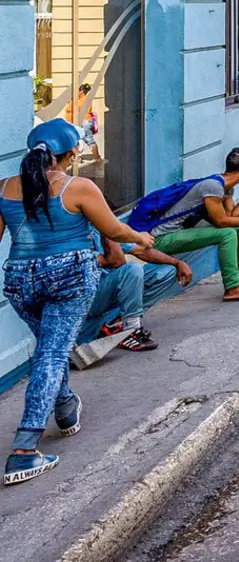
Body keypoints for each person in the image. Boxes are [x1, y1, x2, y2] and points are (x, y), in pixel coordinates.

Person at [2, 119, 155, 486]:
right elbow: (113, 230)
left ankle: (66, 407)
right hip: (69, 275)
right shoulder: (78, 187)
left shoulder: (6, 188)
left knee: (49, 349)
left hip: (21, 278)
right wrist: (142, 238)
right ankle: (24, 451)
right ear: (69, 155)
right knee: (53, 353)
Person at [146, 147, 239, 302]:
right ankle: (232, 287)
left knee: (236, 228)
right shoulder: (213, 186)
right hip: (161, 239)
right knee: (227, 233)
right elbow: (221, 222)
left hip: (179, 234)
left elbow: (232, 217)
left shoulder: (226, 186)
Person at [70, 235, 192, 369]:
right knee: (132, 270)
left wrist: (177, 263)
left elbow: (140, 250)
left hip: (108, 289)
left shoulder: (96, 227)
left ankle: (116, 322)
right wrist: (107, 230)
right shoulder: (74, 234)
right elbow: (117, 260)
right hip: (85, 300)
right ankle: (132, 330)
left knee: (168, 271)